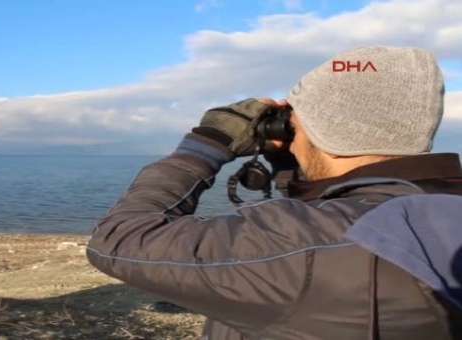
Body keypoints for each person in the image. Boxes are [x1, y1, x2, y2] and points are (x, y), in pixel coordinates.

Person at [86, 45, 462, 339]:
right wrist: (292, 168)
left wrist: (207, 143)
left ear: (318, 129)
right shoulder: (440, 211)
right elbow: (335, 219)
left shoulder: (301, 243)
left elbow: (120, 241)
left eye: (292, 125)